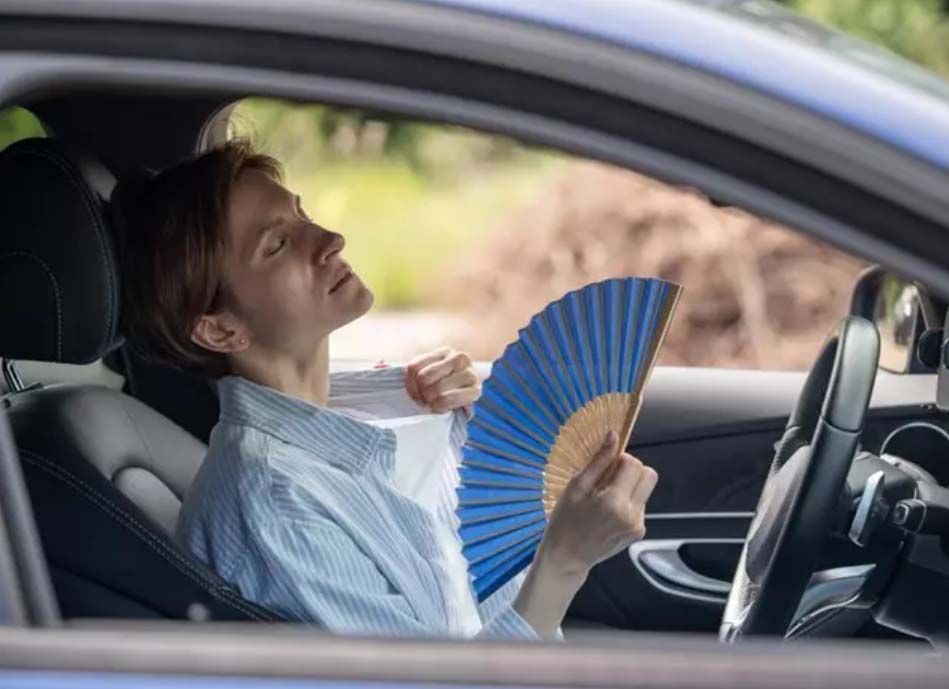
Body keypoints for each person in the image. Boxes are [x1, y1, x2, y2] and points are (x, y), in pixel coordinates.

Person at [114, 139, 658, 641]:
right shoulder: (276, 505)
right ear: (221, 329)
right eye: (278, 244)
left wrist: (460, 421)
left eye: (302, 214)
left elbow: (465, 600)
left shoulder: (388, 410)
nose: (329, 239)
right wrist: (563, 561)